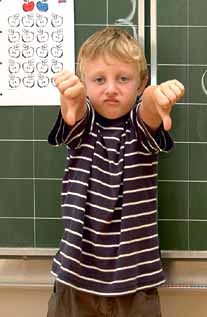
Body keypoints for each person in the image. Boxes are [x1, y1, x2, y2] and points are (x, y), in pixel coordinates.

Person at [46, 27, 184, 316]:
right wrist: (69, 104)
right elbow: (76, 114)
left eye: (123, 78)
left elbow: (147, 109)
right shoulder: (83, 126)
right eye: (99, 79)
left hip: (135, 283)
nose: (111, 89)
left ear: (140, 82)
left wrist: (155, 97)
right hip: (75, 279)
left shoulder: (139, 128)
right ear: (84, 82)